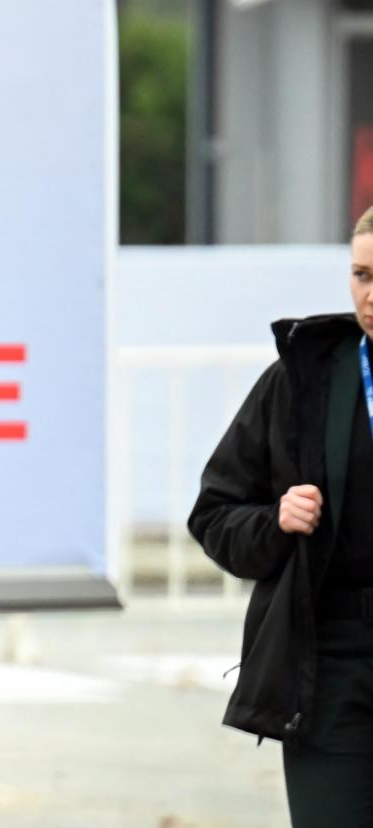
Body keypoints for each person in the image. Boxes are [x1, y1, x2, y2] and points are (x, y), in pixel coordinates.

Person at [189, 204, 373, 826]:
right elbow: (214, 514)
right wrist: (276, 520)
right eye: (363, 275)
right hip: (333, 667)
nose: (370, 295)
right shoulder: (303, 382)